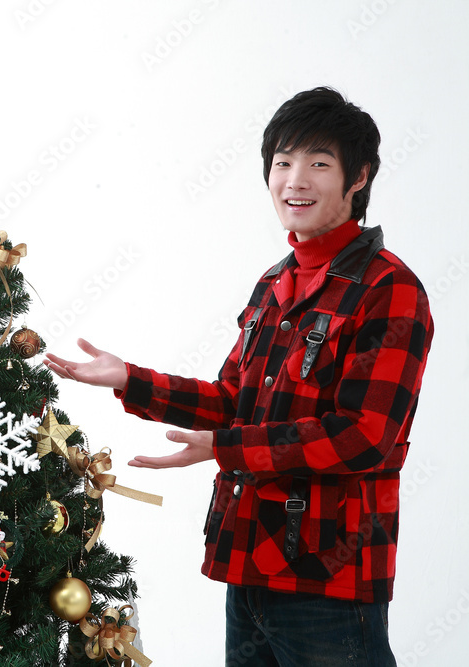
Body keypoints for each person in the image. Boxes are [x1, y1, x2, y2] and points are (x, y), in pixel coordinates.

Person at [45, 87, 433, 666]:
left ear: (359, 177)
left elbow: (362, 436)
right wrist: (130, 379)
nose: (294, 181)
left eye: (318, 164)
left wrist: (226, 448)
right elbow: (233, 403)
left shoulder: (389, 288)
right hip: (249, 563)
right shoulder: (275, 282)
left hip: (330, 580)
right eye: (282, 162)